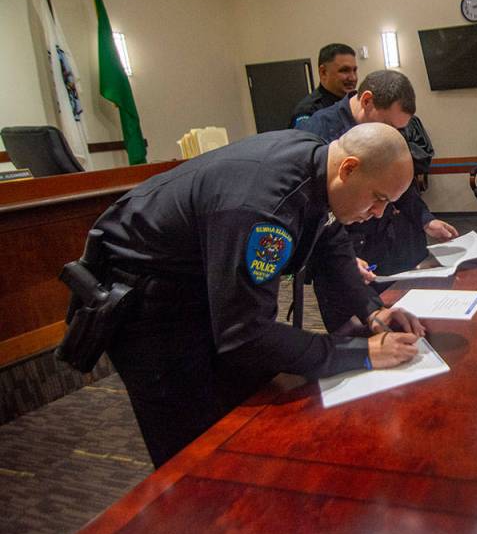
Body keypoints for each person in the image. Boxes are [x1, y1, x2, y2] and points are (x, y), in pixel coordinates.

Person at [74, 124, 425, 468]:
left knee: (253, 412)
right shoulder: (264, 210)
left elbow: (329, 236)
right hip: (150, 308)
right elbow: (244, 333)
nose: (379, 213)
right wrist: (359, 352)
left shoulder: (321, 163)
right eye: (379, 198)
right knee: (193, 450)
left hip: (204, 283)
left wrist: (371, 310)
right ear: (348, 169)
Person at [297, 69, 457, 276]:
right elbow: (311, 208)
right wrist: (340, 254)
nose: (393, 133)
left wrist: (425, 219)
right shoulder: (317, 132)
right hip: (347, 248)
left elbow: (398, 184)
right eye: (389, 125)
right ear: (367, 101)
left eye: (400, 129)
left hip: (391, 241)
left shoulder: (389, 129)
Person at [291, 43, 359, 128]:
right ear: (323, 72)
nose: (353, 78)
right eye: (344, 70)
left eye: (355, 70)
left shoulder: (357, 102)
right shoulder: (308, 111)